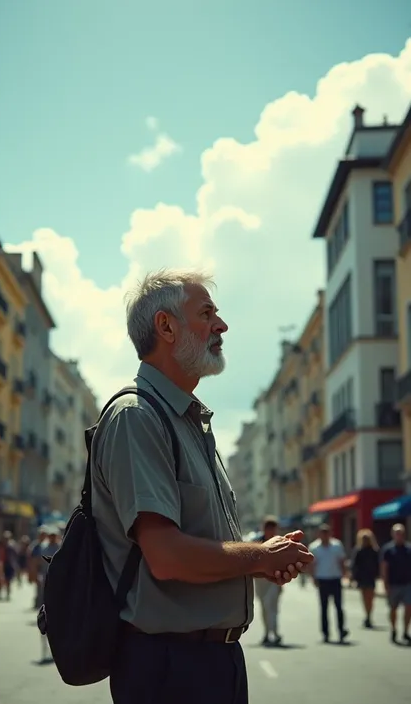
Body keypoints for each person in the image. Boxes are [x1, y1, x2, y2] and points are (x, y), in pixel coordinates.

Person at [91, 269, 314, 704]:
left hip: (213, 662)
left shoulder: (189, 422)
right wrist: (260, 555)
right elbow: (168, 557)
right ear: (166, 326)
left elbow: (202, 544)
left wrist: (259, 559)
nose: (222, 325)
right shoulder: (138, 417)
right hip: (171, 669)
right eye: (207, 313)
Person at [309, 523, 349, 643]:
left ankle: (341, 630)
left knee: (339, 607)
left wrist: (345, 574)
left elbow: (342, 561)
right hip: (322, 579)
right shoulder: (314, 547)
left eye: (327, 533)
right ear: (319, 534)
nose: (325, 536)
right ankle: (325, 632)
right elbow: (312, 564)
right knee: (324, 608)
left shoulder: (336, 545)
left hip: (335, 579)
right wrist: (313, 577)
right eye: (323, 533)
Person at [254, 516, 283, 646]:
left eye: (273, 528)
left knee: (272, 607)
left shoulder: (280, 543)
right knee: (264, 609)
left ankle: (275, 633)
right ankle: (267, 633)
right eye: (268, 528)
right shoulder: (257, 542)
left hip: (274, 580)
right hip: (260, 580)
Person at [380, 523, 411, 644]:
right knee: (393, 608)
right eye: (397, 533)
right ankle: (393, 629)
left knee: (408, 607)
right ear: (393, 534)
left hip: (408, 583)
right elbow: (384, 567)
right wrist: (385, 583)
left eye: (401, 533)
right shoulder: (388, 550)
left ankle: (405, 631)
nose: (399, 536)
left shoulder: (409, 549)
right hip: (393, 583)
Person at [350, 528, 380, 628]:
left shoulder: (374, 551)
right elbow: (354, 565)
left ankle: (369, 615)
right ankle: (367, 615)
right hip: (362, 578)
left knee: (370, 597)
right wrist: (353, 577)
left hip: (371, 577)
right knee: (364, 597)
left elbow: (378, 564)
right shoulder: (358, 551)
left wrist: (378, 574)